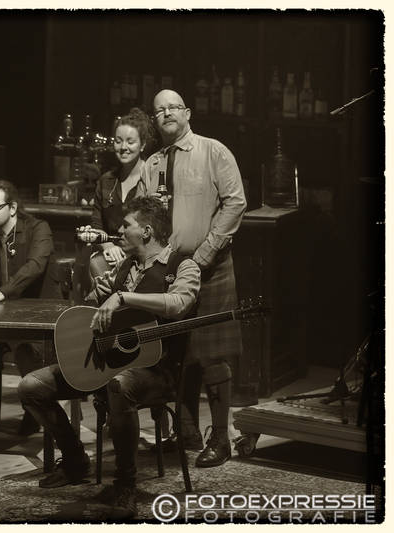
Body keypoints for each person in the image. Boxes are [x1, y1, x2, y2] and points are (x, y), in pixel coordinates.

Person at [18, 196, 200, 518]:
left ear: (146, 231)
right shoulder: (125, 267)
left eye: (126, 225)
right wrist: (93, 293)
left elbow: (179, 304)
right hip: (110, 360)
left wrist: (123, 297)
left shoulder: (183, 266)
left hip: (159, 371)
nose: (119, 230)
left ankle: (125, 484)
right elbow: (90, 305)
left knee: (120, 385)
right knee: (31, 387)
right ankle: (75, 459)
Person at [140, 89, 247, 468]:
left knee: (212, 356)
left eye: (173, 107)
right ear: (155, 121)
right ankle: (184, 433)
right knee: (176, 353)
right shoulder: (152, 164)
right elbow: (145, 217)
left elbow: (235, 203)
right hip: (169, 272)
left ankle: (220, 439)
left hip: (211, 266)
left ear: (187, 113)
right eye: (159, 110)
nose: (167, 112)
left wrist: (203, 255)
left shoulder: (213, 151)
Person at [0, 179, 61, 435]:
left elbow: (35, 266)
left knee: (26, 350)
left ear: (12, 208)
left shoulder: (38, 228)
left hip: (43, 315)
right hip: (5, 316)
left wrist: (1, 292)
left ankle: (36, 409)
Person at [85, 108, 156, 280]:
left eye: (130, 142)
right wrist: (108, 246)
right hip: (111, 256)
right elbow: (97, 224)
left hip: (144, 257)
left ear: (143, 145)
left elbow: (156, 229)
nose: (123, 147)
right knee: (94, 265)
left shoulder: (152, 178)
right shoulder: (106, 180)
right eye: (118, 141)